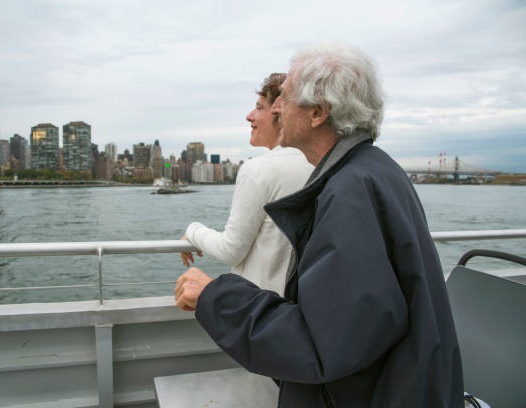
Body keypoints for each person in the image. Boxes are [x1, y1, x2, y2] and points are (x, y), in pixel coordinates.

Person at [175, 43, 464, 407]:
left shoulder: (349, 193)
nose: (276, 108)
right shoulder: (378, 170)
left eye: (284, 97)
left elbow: (322, 344)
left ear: (317, 113)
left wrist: (213, 296)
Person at [179, 73, 313, 296]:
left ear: (280, 112)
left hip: (259, 304)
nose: (249, 116)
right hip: (302, 301)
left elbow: (230, 251)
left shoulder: (258, 169)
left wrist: (193, 231)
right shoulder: (318, 164)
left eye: (259, 108)